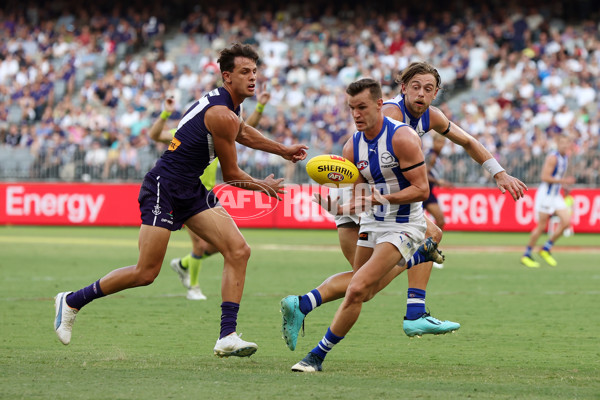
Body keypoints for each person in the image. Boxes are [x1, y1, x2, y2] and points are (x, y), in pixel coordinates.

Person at [54, 43, 308, 358]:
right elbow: (230, 174)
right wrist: (262, 186)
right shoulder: (221, 113)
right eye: (245, 72)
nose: (253, 78)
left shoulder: (225, 106)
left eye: (255, 71)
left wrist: (282, 149)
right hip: (164, 186)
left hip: (190, 189)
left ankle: (227, 335)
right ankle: (71, 301)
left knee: (238, 250)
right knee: (145, 273)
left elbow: (242, 132)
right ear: (227, 76)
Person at [281, 62, 527, 351]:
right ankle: (414, 313)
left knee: (364, 285)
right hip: (363, 208)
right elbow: (366, 167)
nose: (421, 94)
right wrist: (343, 203)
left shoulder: (430, 117)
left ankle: (302, 304)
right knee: (409, 250)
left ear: (436, 94)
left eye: (428, 89)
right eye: (415, 87)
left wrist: (499, 172)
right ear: (403, 88)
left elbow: (468, 141)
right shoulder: (389, 116)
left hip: (378, 204)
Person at [291, 78, 436, 372]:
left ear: (380, 105)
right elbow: (359, 197)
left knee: (356, 288)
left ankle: (316, 356)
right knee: (364, 290)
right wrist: (338, 207)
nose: (356, 114)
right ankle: (417, 257)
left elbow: (422, 190)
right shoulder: (351, 147)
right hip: (374, 221)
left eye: (362, 107)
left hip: (405, 223)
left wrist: (383, 198)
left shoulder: (403, 138)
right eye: (351, 108)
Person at [149, 88, 272, 300]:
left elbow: (244, 130)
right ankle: (193, 288)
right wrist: (165, 113)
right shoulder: (184, 135)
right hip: (182, 190)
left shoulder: (219, 132)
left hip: (204, 194)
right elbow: (153, 135)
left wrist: (260, 107)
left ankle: (184, 264)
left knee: (222, 246)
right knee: (199, 245)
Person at [520, 135, 574, 268]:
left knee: (566, 222)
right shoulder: (553, 157)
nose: (564, 146)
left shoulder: (565, 158)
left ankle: (546, 248)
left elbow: (557, 176)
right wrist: (563, 181)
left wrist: (564, 187)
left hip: (555, 195)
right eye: (562, 143)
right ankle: (526, 254)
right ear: (557, 143)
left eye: (566, 143)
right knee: (541, 226)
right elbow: (545, 177)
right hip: (546, 195)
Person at [423, 133, 453, 269]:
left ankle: (431, 251)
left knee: (440, 221)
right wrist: (438, 181)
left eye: (443, 142)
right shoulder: (432, 155)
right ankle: (430, 252)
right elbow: (423, 173)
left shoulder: (435, 156)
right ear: (434, 142)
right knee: (438, 221)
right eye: (439, 142)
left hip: (429, 192)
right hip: (423, 192)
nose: (441, 145)